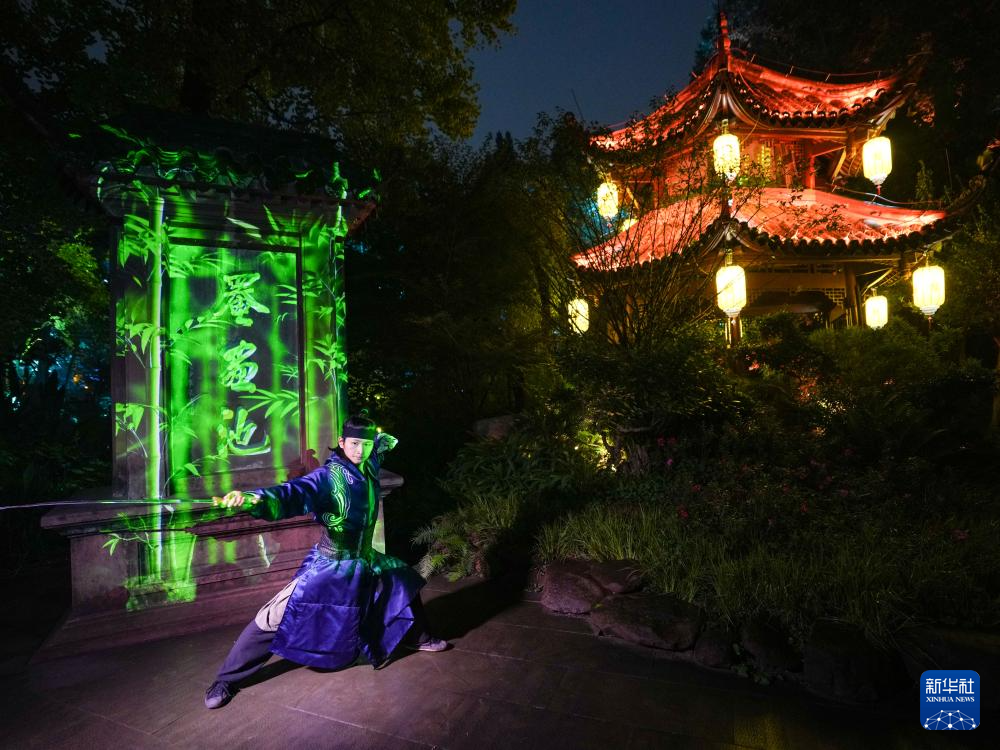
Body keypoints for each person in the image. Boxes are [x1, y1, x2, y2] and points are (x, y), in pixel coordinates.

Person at [204, 412, 447, 709]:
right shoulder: (327, 478)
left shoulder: (370, 463)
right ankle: (226, 679)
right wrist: (254, 499)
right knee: (273, 617)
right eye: (354, 443)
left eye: (366, 445)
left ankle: (418, 636)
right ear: (341, 442)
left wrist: (381, 441)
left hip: (365, 559)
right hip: (331, 564)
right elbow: (292, 492)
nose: (360, 450)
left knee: (402, 579)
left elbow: (382, 444)